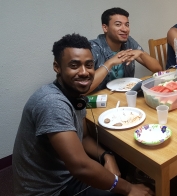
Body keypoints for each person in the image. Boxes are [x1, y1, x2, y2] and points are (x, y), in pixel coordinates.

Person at [12, 34, 154, 195]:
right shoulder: (52, 103)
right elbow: (80, 167)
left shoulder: (75, 95)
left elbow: (85, 138)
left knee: (122, 158)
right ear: (57, 67)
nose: (84, 72)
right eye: (74, 65)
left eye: (89, 65)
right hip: (52, 189)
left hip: (67, 174)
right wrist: (128, 189)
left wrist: (107, 156)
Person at [89, 7, 162, 92]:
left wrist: (141, 53)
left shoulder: (128, 42)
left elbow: (158, 69)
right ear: (105, 28)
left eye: (127, 25)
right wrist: (110, 63)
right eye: (118, 24)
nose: (125, 29)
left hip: (126, 95)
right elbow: (85, 88)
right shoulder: (93, 48)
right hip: (99, 100)